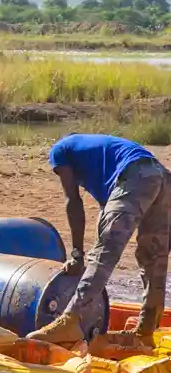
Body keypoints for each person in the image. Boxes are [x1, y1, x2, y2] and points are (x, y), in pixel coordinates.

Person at [27, 134, 171, 344]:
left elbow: (72, 201)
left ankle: (70, 320)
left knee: (105, 252)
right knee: (155, 259)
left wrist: (77, 254)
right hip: (160, 175)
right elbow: (107, 213)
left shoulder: (60, 150)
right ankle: (146, 331)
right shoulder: (99, 155)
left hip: (135, 175)